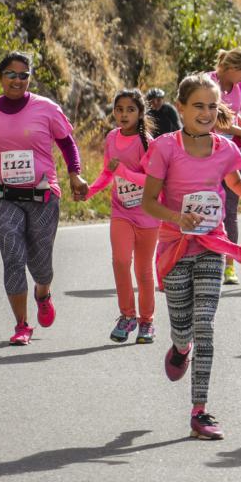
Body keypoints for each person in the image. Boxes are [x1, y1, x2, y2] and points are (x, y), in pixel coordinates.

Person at [141, 74, 241, 440]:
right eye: (197, 106)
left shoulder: (226, 149)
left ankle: (199, 410)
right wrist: (176, 218)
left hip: (211, 244)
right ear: (181, 108)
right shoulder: (165, 148)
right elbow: (149, 201)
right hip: (173, 246)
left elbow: (234, 182)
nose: (205, 112)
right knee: (183, 328)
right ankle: (180, 348)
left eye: (212, 106)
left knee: (206, 325)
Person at [0, 52, 88, 345]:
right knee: (13, 256)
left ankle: (43, 292)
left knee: (41, 264)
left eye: (24, 75)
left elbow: (67, 143)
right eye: (11, 74)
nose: (17, 80)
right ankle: (22, 325)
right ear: (0, 77)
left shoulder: (47, 108)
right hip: (1, 196)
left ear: (30, 77)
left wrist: (75, 174)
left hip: (42, 195)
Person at [96, 89, 159, 343]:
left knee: (144, 272)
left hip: (147, 213)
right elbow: (107, 173)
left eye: (130, 110)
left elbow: (152, 180)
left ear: (140, 113)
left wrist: (124, 171)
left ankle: (147, 322)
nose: (123, 114)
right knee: (121, 261)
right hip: (121, 210)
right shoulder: (111, 138)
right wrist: (88, 191)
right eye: (119, 109)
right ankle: (127, 316)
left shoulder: (149, 143)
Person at [208, 47, 241, 285]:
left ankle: (229, 266)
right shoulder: (208, 82)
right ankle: (204, 259)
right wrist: (236, 130)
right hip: (206, 151)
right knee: (207, 206)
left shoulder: (240, 87)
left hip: (232, 153)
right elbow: (209, 118)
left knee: (230, 208)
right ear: (231, 68)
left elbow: (238, 115)